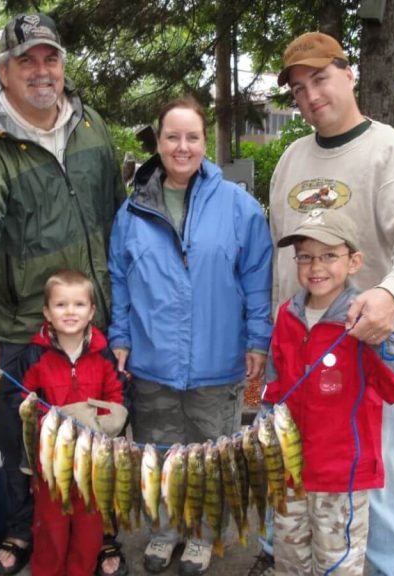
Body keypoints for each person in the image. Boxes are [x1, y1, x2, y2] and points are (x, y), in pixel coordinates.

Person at [0, 13, 126, 576]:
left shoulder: (93, 126)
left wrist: (127, 315)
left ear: (63, 65)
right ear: (5, 71)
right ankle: (25, 525)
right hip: (22, 331)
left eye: (51, 59)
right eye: (27, 61)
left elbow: (121, 221)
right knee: (22, 445)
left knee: (102, 432)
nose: (42, 71)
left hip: (95, 322)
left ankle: (100, 528)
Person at [252, 32, 394, 576]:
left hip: (365, 353)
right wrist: (273, 336)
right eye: (297, 88)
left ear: (349, 72)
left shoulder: (390, 151)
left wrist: (390, 292)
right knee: (292, 466)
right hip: (299, 353)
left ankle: (389, 569)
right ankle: (289, 555)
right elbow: (278, 257)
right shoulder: (291, 160)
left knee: (374, 478)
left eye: (320, 78)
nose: (310, 95)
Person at [108, 96, 273, 576]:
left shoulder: (239, 208)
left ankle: (202, 536)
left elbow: (257, 280)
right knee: (159, 454)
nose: (183, 147)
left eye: (192, 137)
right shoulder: (132, 211)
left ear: (205, 142)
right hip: (152, 361)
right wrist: (120, 335)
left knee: (208, 457)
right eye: (172, 137)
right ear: (157, 143)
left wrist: (257, 341)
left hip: (216, 362)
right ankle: (165, 529)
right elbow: (118, 278)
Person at [263, 209, 394, 575]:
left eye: (329, 255)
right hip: (290, 474)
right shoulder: (287, 314)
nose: (315, 266)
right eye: (305, 255)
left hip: (342, 479)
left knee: (336, 565)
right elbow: (275, 386)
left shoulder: (365, 320)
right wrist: (264, 419)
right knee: (289, 559)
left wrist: (385, 339)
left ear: (354, 262)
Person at [1, 270, 129, 576]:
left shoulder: (103, 356)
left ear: (92, 311)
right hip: (50, 463)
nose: (70, 311)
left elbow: (118, 400)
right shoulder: (34, 356)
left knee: (88, 527)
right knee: (50, 528)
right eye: (60, 305)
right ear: (47, 311)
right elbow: (20, 400)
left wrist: (96, 421)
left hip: (94, 461)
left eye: (79, 304)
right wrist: (53, 421)